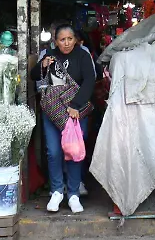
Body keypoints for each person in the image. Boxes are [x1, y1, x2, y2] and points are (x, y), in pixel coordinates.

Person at [32, 23, 96, 214]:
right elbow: (34, 75)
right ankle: (57, 191)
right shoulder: (48, 54)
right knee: (53, 152)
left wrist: (75, 106)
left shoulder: (82, 55)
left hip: (75, 112)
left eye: (70, 39)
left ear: (75, 39)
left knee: (74, 150)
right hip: (52, 112)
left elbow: (90, 80)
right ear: (56, 41)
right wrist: (42, 66)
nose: (66, 43)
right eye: (62, 39)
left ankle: (74, 194)